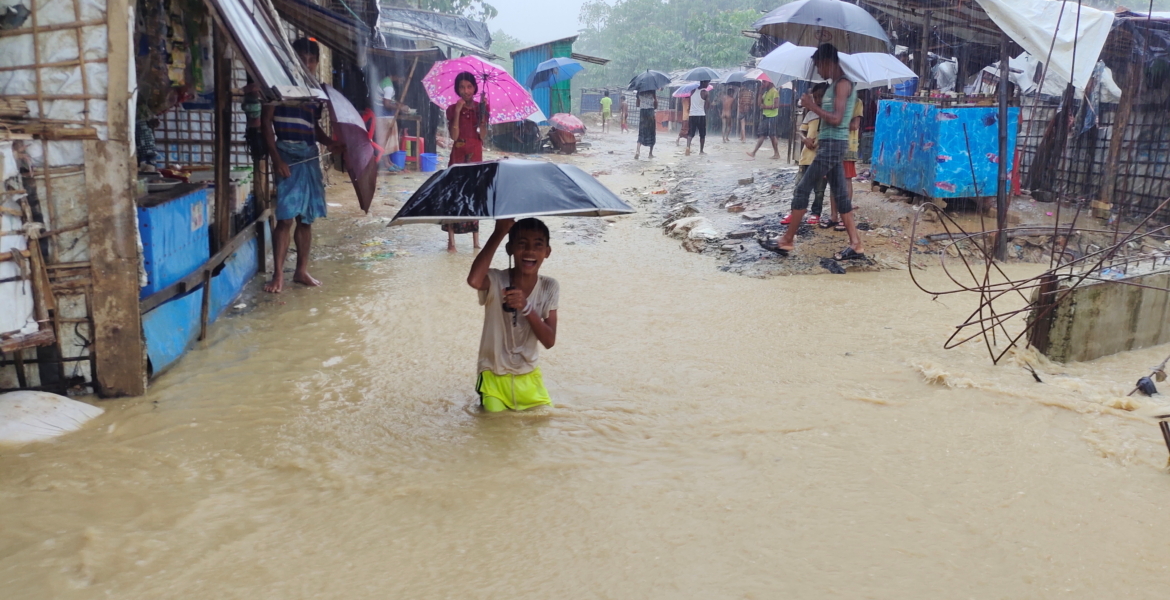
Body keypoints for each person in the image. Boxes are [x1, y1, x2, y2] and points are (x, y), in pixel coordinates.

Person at [772, 44, 865, 261]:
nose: (818, 71)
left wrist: (812, 106)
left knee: (803, 188)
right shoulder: (835, 86)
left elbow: (836, 119)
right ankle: (856, 244)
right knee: (841, 196)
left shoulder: (842, 85)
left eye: (818, 66)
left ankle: (787, 240)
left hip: (834, 144)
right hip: (831, 143)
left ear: (827, 62)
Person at [262, 38, 339, 293]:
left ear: (317, 63)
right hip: (286, 155)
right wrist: (277, 159)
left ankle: (301, 270)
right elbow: (266, 124)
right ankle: (277, 276)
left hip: (309, 156)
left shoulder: (316, 92)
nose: (307, 64)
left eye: (311, 60)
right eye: (301, 59)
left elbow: (313, 127)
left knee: (306, 219)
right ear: (292, 59)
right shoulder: (277, 86)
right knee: (285, 218)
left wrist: (331, 143)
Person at [466, 218, 559, 413]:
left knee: (547, 423)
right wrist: (499, 231)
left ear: (547, 252)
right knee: (495, 426)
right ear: (510, 249)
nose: (530, 252)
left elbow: (549, 340)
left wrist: (526, 307)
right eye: (522, 244)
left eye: (537, 245)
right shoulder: (495, 280)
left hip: (529, 375)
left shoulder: (550, 286)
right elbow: (474, 280)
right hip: (493, 375)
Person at [443, 71, 487, 252]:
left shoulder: (481, 107)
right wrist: (459, 111)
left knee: (474, 196)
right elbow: (454, 136)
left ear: (475, 88)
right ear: (457, 89)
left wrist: (483, 115)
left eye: (469, 86)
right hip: (458, 156)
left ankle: (476, 242)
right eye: (462, 87)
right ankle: (451, 242)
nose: (466, 91)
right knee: (454, 195)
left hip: (475, 155)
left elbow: (482, 136)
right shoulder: (452, 109)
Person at [789, 83, 832, 227]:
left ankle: (816, 213)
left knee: (819, 189)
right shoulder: (810, 114)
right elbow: (801, 130)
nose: (818, 100)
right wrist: (805, 139)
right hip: (806, 157)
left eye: (822, 96)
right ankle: (795, 210)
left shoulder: (830, 115)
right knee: (799, 186)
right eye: (816, 97)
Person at [375, 75, 410, 171]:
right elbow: (387, 104)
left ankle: (389, 162)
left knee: (387, 140)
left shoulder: (386, 81)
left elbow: (391, 101)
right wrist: (400, 108)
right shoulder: (388, 87)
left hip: (384, 116)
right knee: (385, 141)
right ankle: (386, 163)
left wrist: (400, 105)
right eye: (403, 79)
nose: (402, 82)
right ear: (398, 76)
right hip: (384, 117)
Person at [746, 80, 781, 160]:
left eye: (764, 82)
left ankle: (776, 153)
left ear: (770, 82)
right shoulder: (766, 92)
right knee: (763, 134)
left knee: (772, 135)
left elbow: (776, 105)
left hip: (772, 116)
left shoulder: (774, 91)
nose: (763, 83)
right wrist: (760, 92)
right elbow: (759, 104)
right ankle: (754, 152)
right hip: (765, 116)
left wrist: (765, 107)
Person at [685, 80, 710, 156]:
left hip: (692, 115)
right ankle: (701, 151)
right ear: (703, 83)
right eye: (707, 83)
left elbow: (690, 102)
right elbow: (707, 106)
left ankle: (688, 147)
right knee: (702, 134)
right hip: (701, 115)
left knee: (690, 133)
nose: (708, 84)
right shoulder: (705, 92)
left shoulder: (692, 91)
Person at [634, 88, 657, 159]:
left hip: (642, 112)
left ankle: (638, 151)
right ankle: (650, 153)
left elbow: (637, 104)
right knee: (652, 132)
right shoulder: (652, 89)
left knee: (641, 131)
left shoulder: (639, 90)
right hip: (650, 111)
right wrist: (655, 107)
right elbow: (655, 101)